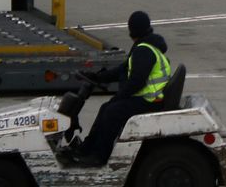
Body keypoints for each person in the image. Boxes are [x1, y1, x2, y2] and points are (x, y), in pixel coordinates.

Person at [65, 11, 174, 166]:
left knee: (112, 111)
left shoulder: (144, 50)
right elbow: (122, 70)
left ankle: (99, 157)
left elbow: (137, 82)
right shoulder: (146, 46)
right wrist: (97, 77)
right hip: (147, 99)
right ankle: (87, 148)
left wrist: (119, 96)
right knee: (106, 107)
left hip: (149, 100)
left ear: (131, 30)